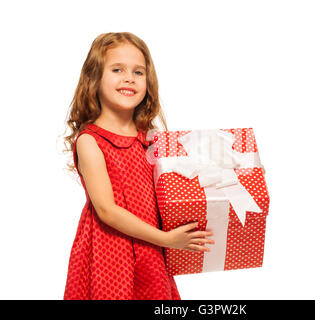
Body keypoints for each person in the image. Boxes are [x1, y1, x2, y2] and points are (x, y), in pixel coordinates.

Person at [62, 32, 214, 300]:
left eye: (138, 72)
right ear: (94, 78)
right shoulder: (90, 141)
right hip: (110, 252)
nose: (129, 78)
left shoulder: (150, 139)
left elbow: (172, 191)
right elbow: (107, 210)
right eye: (117, 69)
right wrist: (166, 239)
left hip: (149, 248)